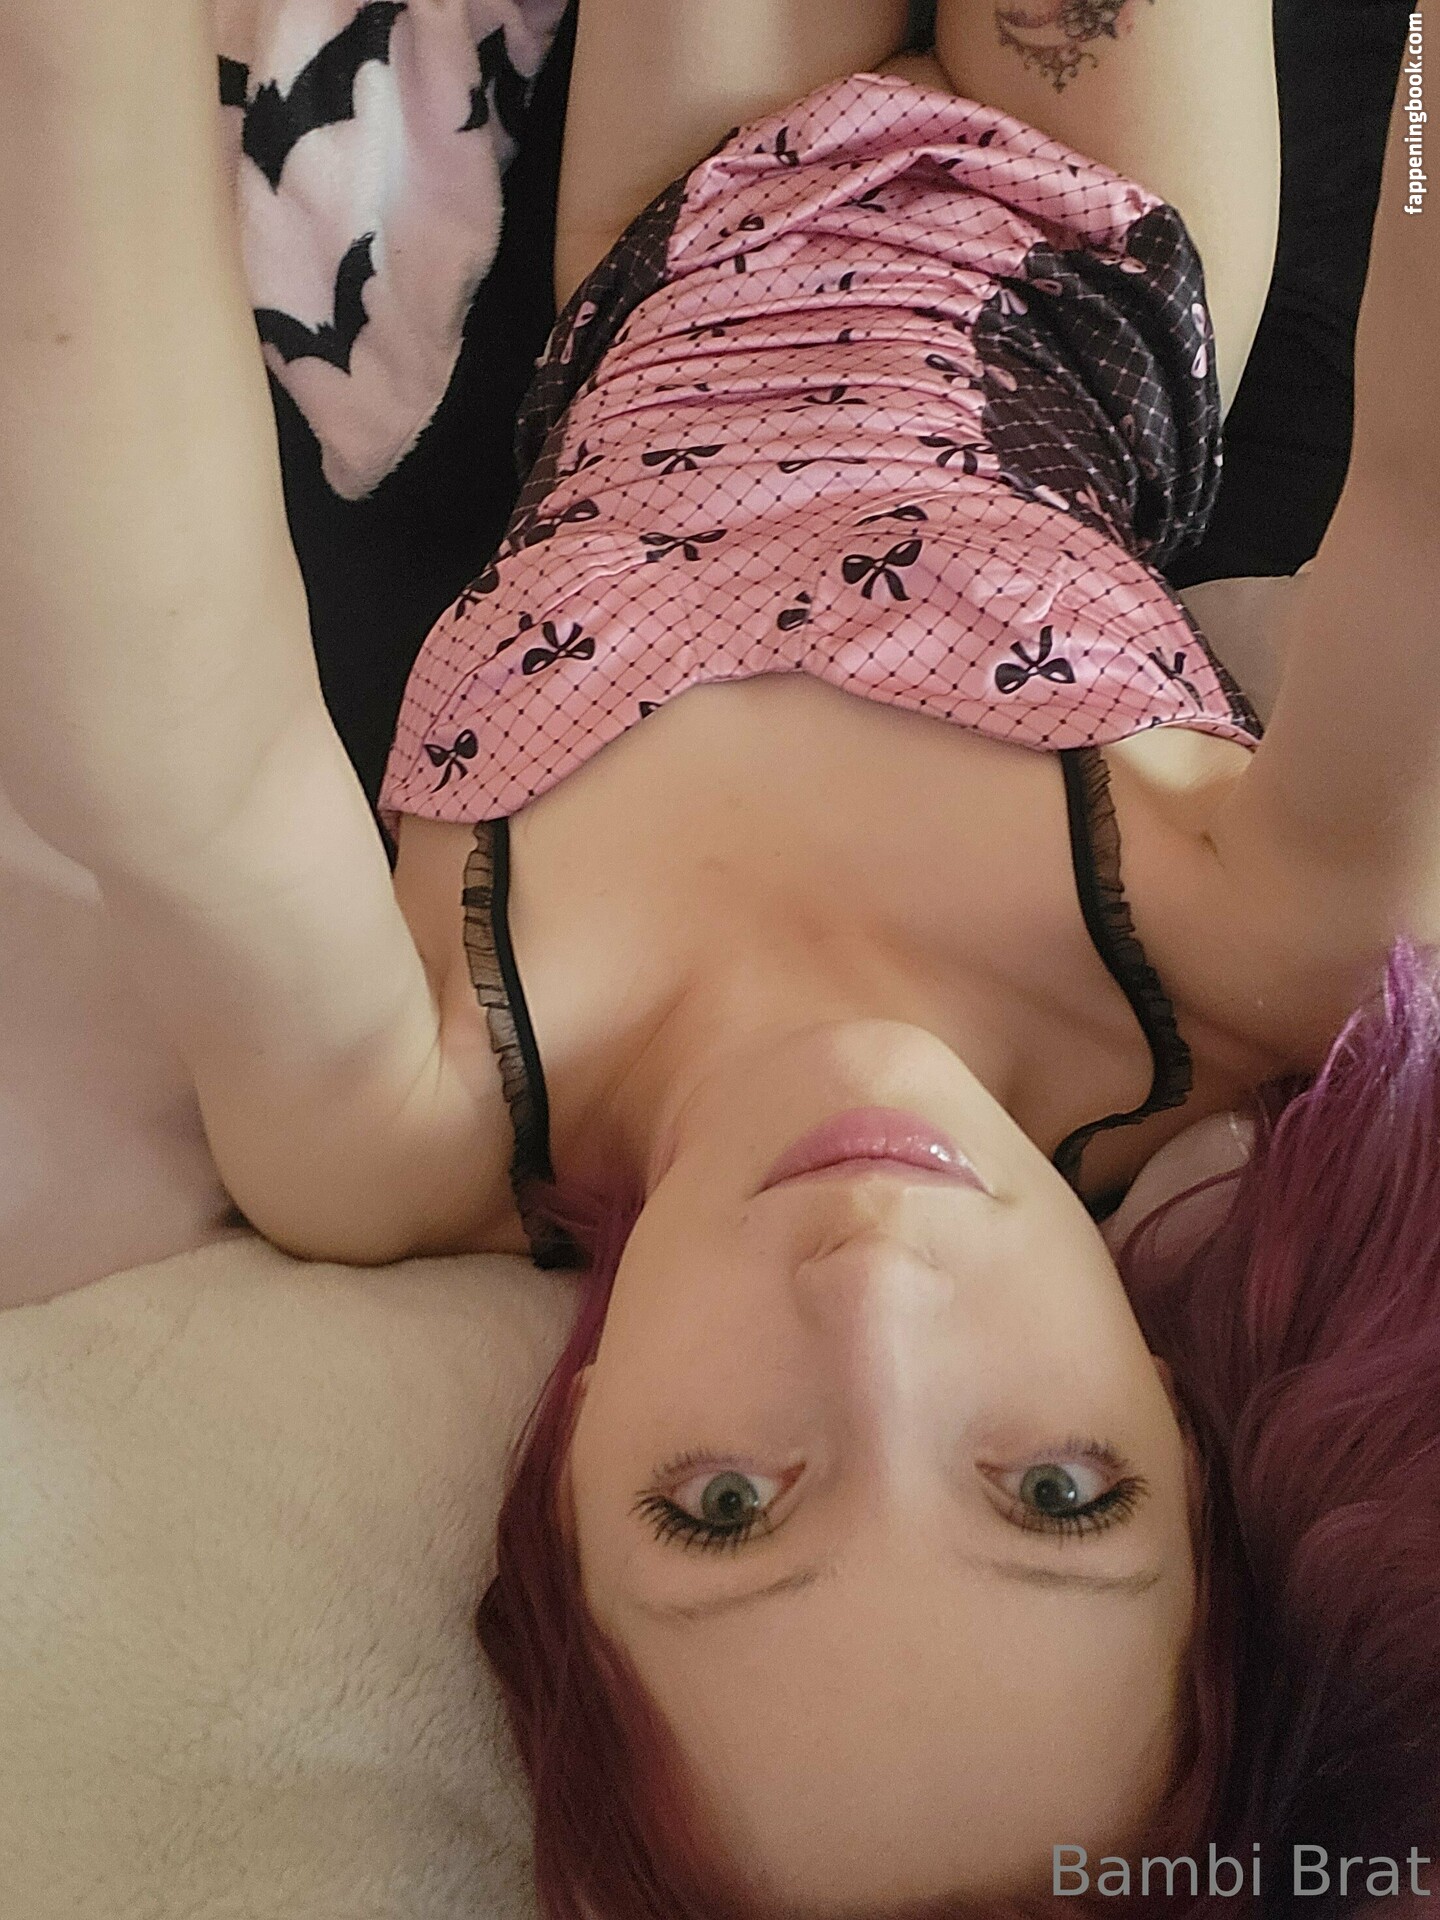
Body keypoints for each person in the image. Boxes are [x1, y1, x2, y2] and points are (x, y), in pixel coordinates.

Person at [1, 1, 1436, 1915]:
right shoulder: (1251, 979)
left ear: (568, 1478)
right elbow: (1422, 486)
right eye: (1058, 1491)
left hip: (668, 237)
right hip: (1089, 230)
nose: (877, 1293)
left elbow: (167, 757)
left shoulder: (417, 1115)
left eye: (731, 1508)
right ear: (1175, 1432)